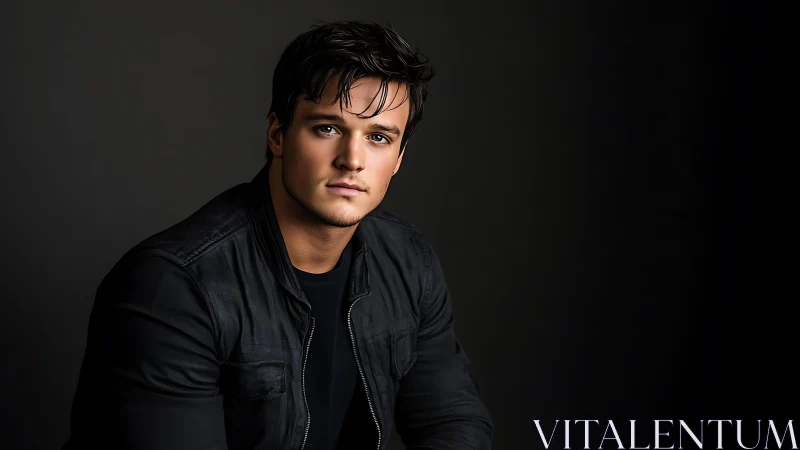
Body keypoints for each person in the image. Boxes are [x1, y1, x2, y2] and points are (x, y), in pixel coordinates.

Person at [63, 20, 493, 450]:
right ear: (278, 134)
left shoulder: (407, 259)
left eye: (379, 137)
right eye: (327, 128)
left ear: (397, 159)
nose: (352, 160)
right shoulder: (174, 286)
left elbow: (453, 420)